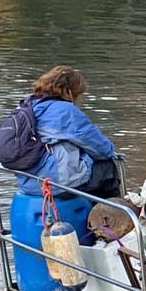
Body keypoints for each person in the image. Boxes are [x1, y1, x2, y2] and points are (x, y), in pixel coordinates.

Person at [17, 66, 120, 199]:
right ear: (70, 93)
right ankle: (105, 215)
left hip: (27, 184)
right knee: (106, 167)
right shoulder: (66, 111)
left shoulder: (28, 106)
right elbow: (102, 149)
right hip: (56, 185)